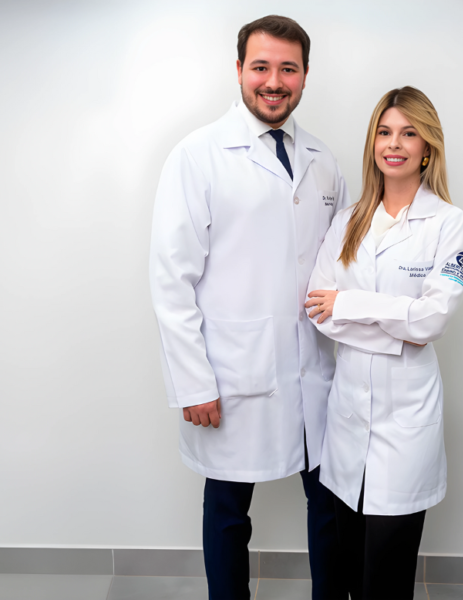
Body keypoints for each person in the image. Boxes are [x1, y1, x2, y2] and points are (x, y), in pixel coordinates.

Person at [149, 15, 349, 600]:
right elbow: (171, 279)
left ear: (305, 75)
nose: (274, 81)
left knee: (330, 505)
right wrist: (192, 382)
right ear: (239, 70)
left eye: (288, 68)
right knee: (228, 511)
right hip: (232, 374)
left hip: (314, 371)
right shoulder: (198, 155)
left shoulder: (323, 160)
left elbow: (339, 262)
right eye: (261, 67)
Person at [304, 86, 463, 600]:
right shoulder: (347, 220)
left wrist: (351, 303)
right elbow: (318, 309)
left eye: (408, 133)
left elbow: (433, 319)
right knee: (351, 571)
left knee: (387, 580)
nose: (394, 144)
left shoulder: (447, 223)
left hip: (406, 421)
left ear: (427, 147)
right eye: (384, 131)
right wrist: (398, 325)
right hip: (348, 418)